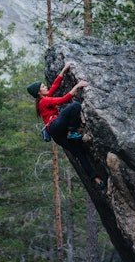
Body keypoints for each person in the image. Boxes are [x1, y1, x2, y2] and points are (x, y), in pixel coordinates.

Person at [27, 62, 106, 190]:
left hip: (57, 135)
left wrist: (64, 69)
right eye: (42, 86)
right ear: (39, 92)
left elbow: (55, 85)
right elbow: (64, 99)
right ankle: (71, 132)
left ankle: (97, 180)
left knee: (80, 153)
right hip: (56, 126)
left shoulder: (44, 98)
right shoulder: (44, 101)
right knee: (75, 106)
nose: (45, 87)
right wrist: (78, 86)